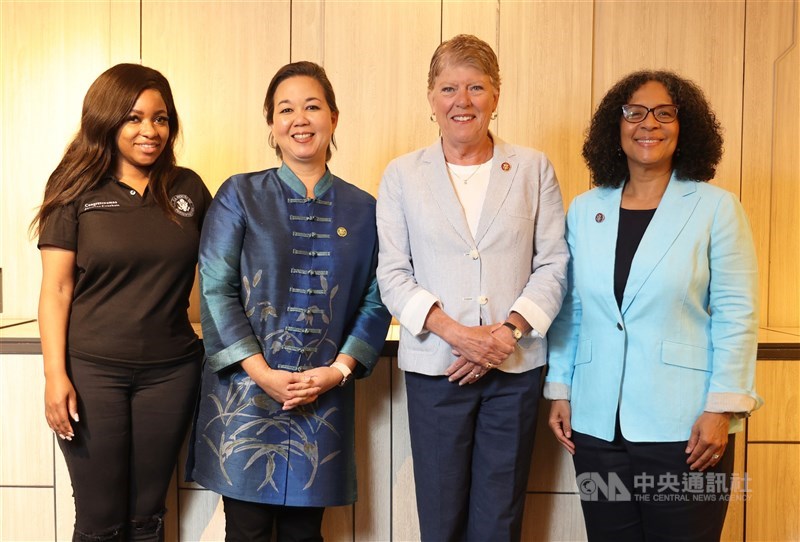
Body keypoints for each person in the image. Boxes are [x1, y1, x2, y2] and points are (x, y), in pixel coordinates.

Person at [545, 70, 762, 541]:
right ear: (615, 126)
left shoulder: (716, 208)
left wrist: (721, 407)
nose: (649, 124)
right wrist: (560, 388)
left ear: (685, 128)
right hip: (598, 426)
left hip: (687, 428)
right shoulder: (586, 209)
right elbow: (572, 309)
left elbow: (736, 313)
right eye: (635, 112)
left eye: (665, 113)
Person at [187, 61, 391, 541]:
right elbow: (216, 288)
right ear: (272, 126)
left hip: (320, 397)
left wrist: (335, 372)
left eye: (313, 106)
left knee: (305, 533)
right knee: (246, 529)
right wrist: (262, 373)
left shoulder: (364, 209)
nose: (300, 119)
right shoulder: (239, 194)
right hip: (244, 395)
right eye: (286, 109)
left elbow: (377, 299)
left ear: (334, 119)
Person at [376, 34, 569, 541]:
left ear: (496, 96)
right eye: (448, 88)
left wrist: (505, 334)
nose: (462, 101)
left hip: (514, 368)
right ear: (431, 99)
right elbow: (392, 273)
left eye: (476, 87)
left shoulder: (533, 169)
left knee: (499, 517)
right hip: (436, 368)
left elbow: (553, 264)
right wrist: (457, 334)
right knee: (440, 517)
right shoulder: (401, 175)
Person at [33, 63, 211, 541]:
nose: (150, 131)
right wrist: (55, 374)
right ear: (107, 120)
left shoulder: (189, 189)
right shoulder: (75, 189)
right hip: (92, 372)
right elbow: (56, 288)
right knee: (100, 522)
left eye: (161, 118)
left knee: (146, 517)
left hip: (171, 372)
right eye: (134, 118)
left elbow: (225, 274)